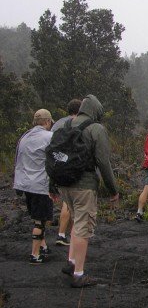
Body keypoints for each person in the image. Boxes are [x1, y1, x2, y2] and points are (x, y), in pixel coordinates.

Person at [56, 94, 120, 287]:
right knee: (84, 228)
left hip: (64, 183)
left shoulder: (65, 125)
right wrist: (113, 189)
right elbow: (103, 161)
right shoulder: (96, 129)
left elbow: (54, 154)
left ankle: (72, 262)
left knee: (77, 222)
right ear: (96, 111)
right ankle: (79, 274)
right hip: (84, 185)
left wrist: (53, 185)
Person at [13, 109, 56, 264]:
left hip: (25, 183)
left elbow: (18, 159)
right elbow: (56, 158)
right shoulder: (49, 137)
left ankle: (43, 245)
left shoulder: (24, 137)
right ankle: (35, 254)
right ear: (47, 121)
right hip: (40, 184)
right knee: (40, 220)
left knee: (37, 217)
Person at [51, 98, 82, 246]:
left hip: (56, 165)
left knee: (66, 200)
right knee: (70, 203)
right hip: (71, 166)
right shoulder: (78, 123)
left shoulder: (57, 124)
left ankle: (64, 235)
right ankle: (63, 234)